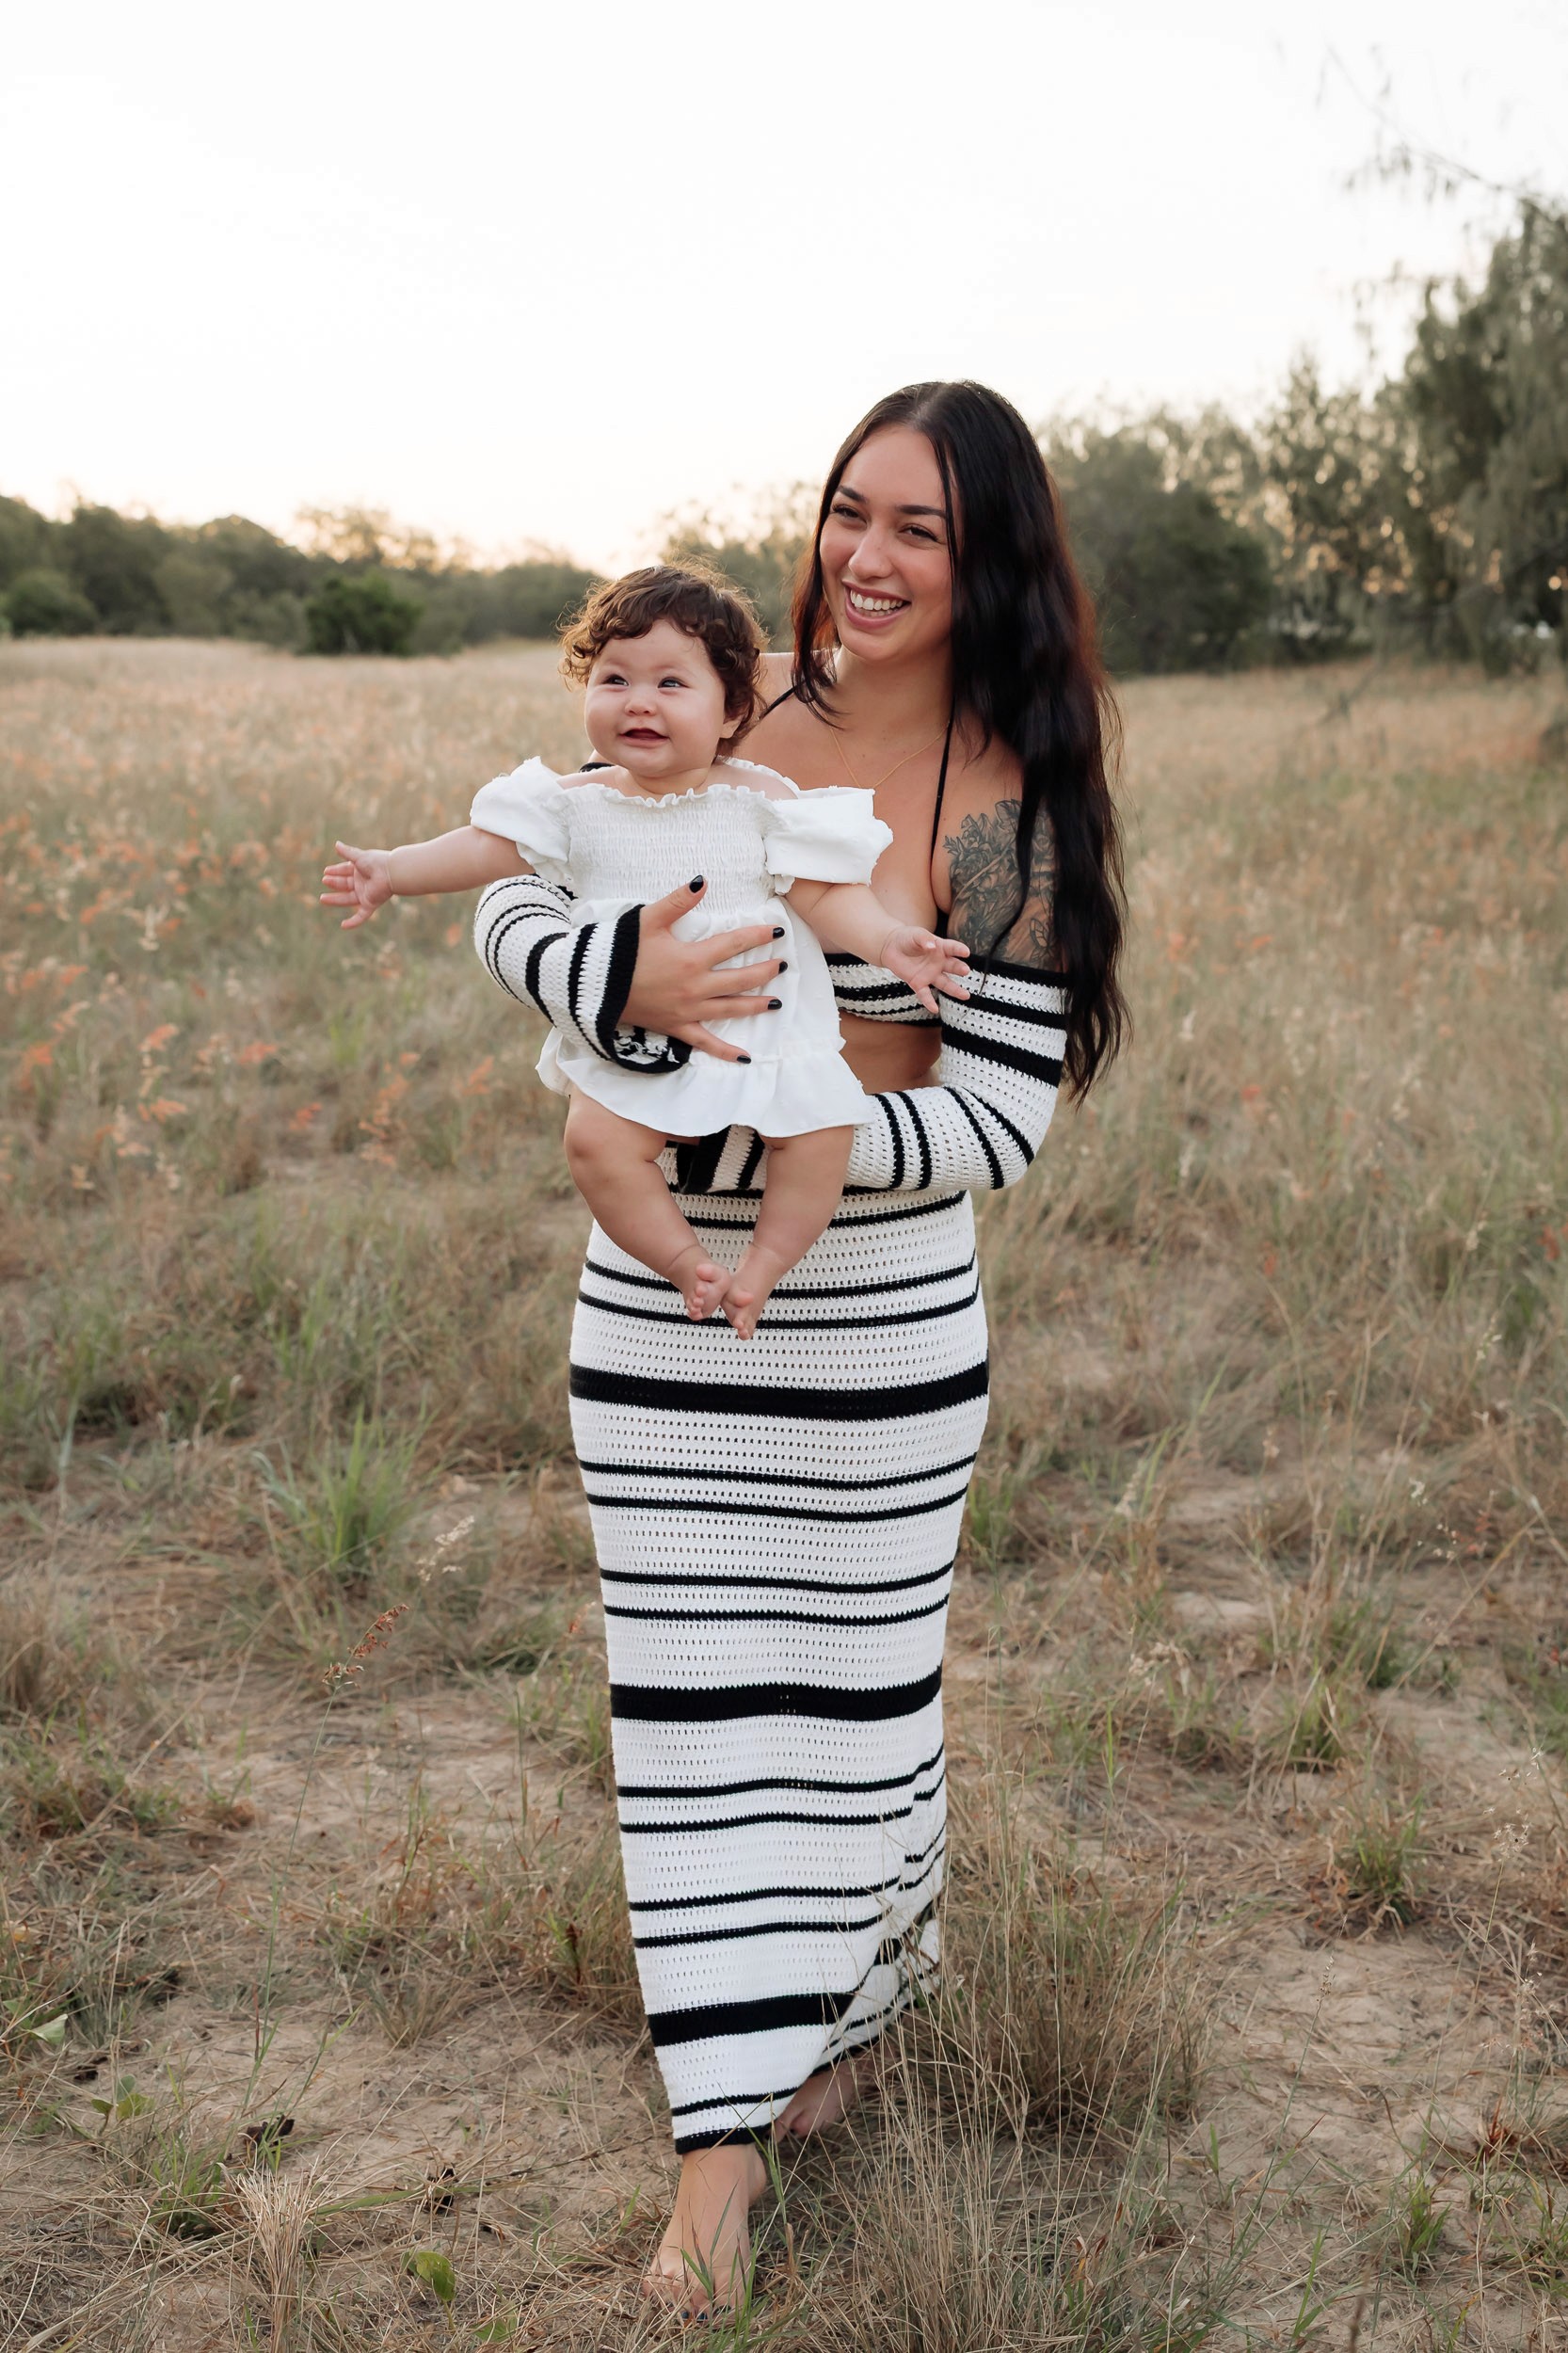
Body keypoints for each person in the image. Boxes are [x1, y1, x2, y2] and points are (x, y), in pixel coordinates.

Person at [472, 381, 1128, 2318]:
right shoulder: (728, 724)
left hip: (880, 1335)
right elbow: (518, 888)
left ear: (987, 552)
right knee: (691, 1725)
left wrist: (791, 1158)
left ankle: (830, 2020)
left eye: (917, 524)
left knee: (853, 1722)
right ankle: (716, 2153)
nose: (864, 551)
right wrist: (618, 976)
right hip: (663, 1313)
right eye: (849, 509)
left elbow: (998, 1119)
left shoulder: (1018, 803)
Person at [321, 567, 970, 1337]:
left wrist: (892, 941)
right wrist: (393, 870)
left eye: (670, 683)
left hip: (761, 1029)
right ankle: (683, 1261)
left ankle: (763, 1269)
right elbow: (487, 849)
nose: (638, 700)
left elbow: (825, 894)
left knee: (822, 1134)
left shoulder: (762, 799)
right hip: (638, 1038)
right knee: (594, 1142)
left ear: (731, 709)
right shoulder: (577, 803)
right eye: (614, 678)